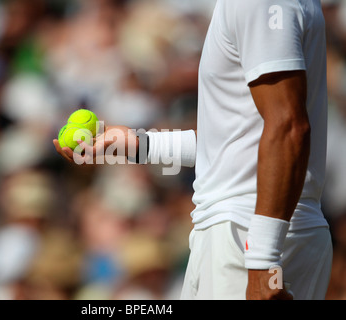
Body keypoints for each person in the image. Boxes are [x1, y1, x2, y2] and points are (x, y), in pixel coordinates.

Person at [54, 0, 333, 300]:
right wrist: (137, 145)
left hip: (247, 236)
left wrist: (263, 260)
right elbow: (236, 144)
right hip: (249, 232)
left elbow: (289, 126)